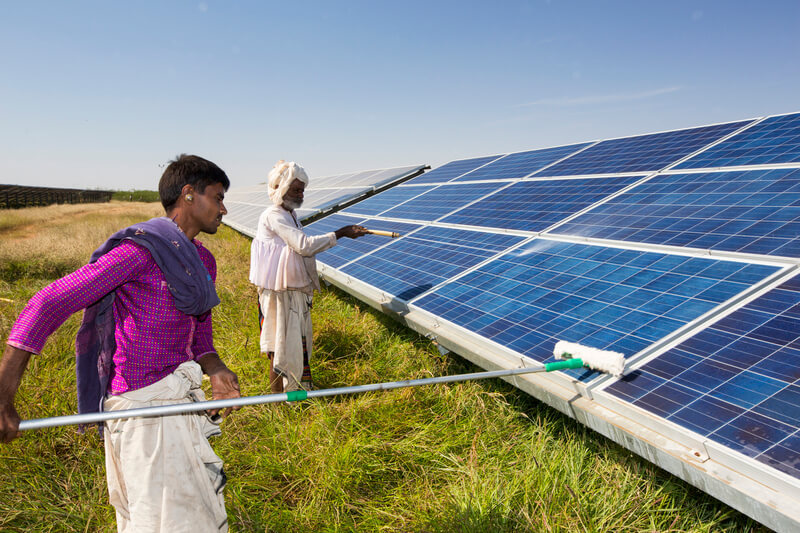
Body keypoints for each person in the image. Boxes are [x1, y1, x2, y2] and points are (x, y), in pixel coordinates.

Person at [0, 154, 241, 532]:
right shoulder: (140, 253)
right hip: (143, 414)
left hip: (177, 404)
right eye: (218, 196)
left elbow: (201, 334)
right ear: (189, 194)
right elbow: (48, 303)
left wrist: (216, 369)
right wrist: (3, 397)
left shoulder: (203, 262)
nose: (224, 208)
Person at [250, 160, 367, 393]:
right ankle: (277, 400)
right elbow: (303, 245)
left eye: (302, 189)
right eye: (296, 189)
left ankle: (293, 395)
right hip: (278, 293)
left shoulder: (290, 214)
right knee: (279, 344)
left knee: (292, 343)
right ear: (281, 188)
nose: (300, 193)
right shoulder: (274, 215)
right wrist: (340, 233)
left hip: (291, 291)